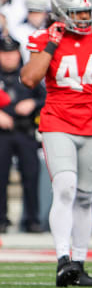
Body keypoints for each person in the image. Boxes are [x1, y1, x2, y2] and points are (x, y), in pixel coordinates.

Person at [20, 0, 92, 287]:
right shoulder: (45, 39)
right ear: (60, 15)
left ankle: (78, 264)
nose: (84, 18)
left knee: (85, 197)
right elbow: (29, 78)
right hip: (58, 120)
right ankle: (62, 259)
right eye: (76, 13)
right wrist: (52, 44)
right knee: (65, 187)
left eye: (86, 12)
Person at [0, 36, 45, 233]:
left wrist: (33, 104)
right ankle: (1, 219)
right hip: (2, 134)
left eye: (12, 53)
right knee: (1, 177)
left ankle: (32, 219)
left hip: (25, 131)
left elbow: (45, 97)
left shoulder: (28, 75)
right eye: (5, 53)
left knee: (31, 175)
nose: (9, 58)